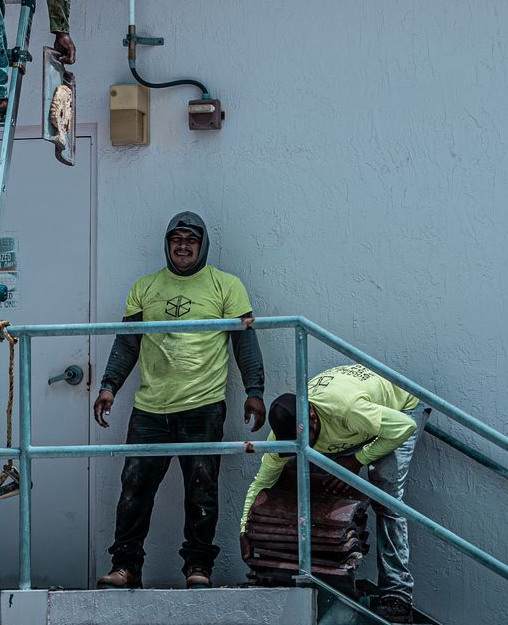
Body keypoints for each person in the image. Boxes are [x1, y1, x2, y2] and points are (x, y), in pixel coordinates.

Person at [93, 212, 266, 589]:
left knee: (202, 491)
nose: (183, 245)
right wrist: (109, 386)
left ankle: (198, 567)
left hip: (203, 406)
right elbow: (128, 342)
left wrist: (255, 391)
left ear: (202, 245)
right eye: (176, 239)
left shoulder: (226, 286)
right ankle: (126, 567)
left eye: (191, 239)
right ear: (167, 243)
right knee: (134, 490)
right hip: (150, 409)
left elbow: (244, 342)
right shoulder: (145, 286)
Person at [242, 364, 426, 622]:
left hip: (399, 410)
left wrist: (357, 460)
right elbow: (261, 482)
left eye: (306, 439)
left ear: (313, 420)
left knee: (385, 492)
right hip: (358, 421)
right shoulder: (285, 428)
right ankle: (321, 574)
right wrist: (244, 528)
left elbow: (404, 426)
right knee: (296, 472)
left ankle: (397, 594)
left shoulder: (348, 410)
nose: (301, 445)